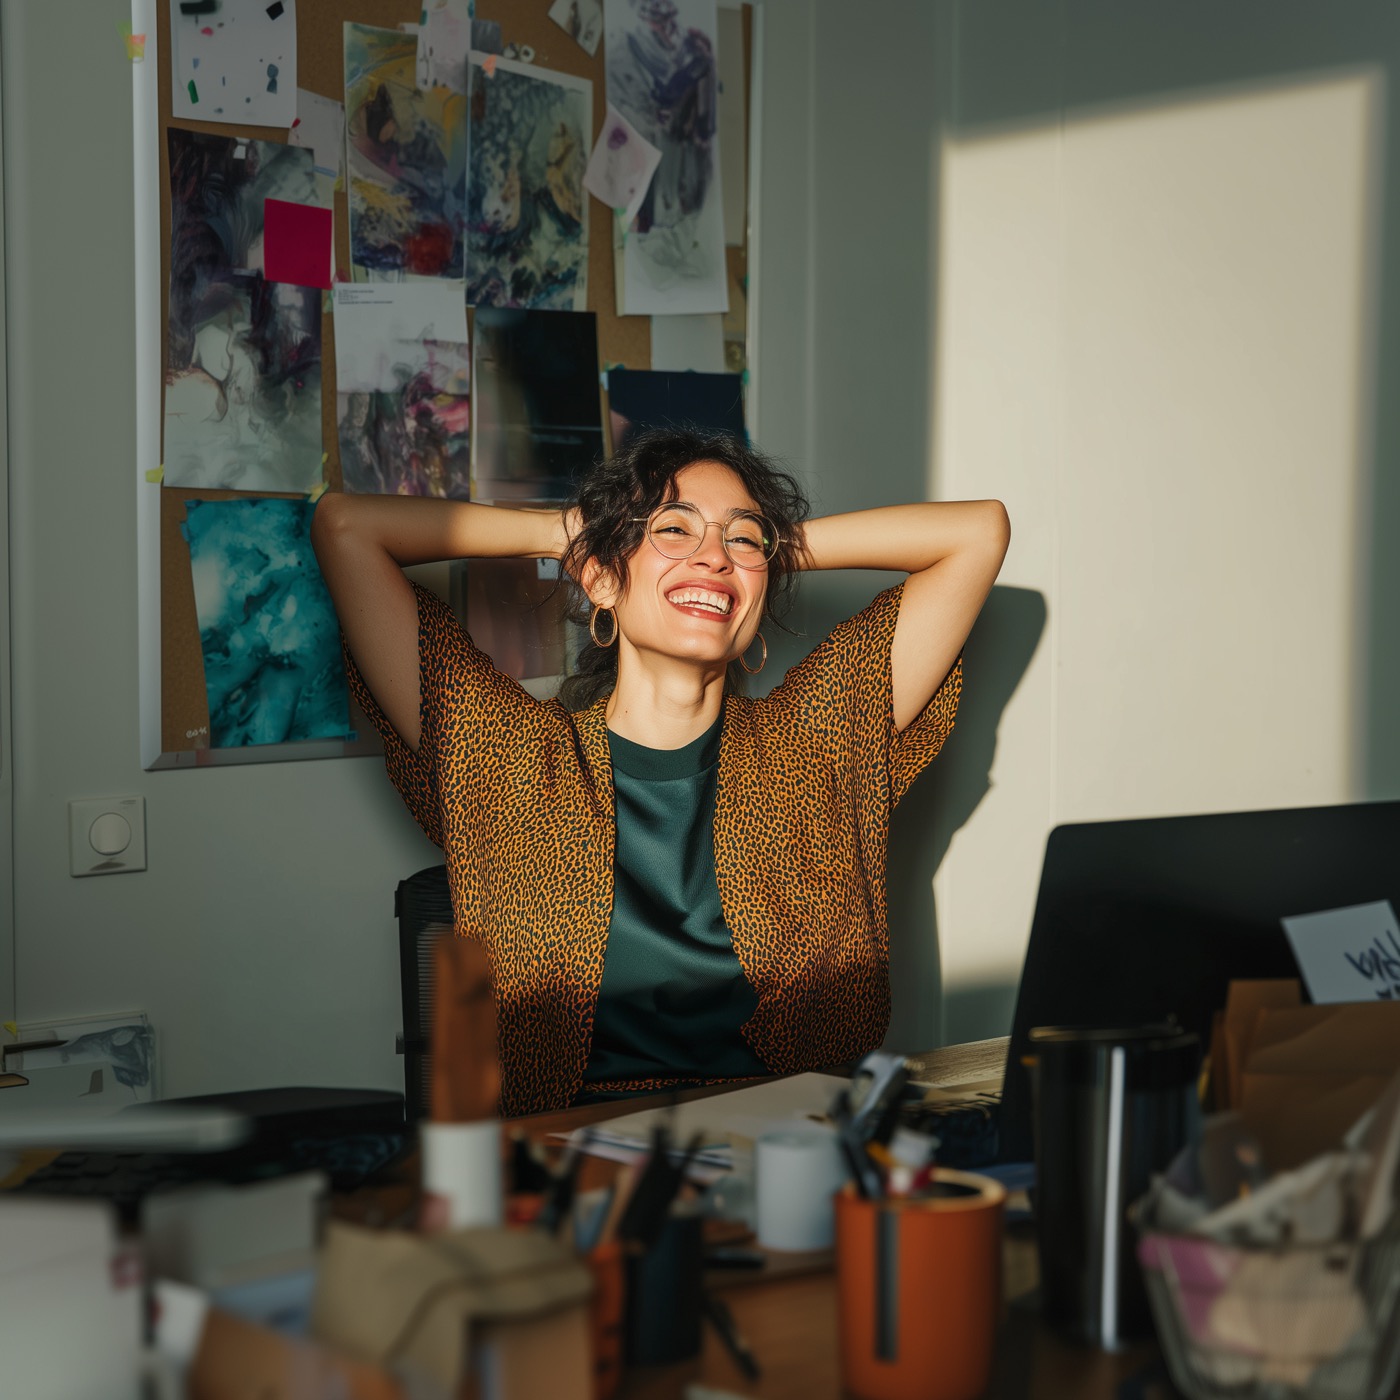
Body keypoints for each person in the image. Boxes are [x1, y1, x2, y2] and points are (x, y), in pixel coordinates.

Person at [312, 429, 1009, 1115]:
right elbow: (346, 527)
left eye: (742, 537)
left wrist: (769, 554)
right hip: (572, 1158)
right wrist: (579, 537)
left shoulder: (816, 741)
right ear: (603, 579)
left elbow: (978, 533)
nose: (712, 557)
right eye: (673, 530)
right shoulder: (507, 757)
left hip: (792, 1146)